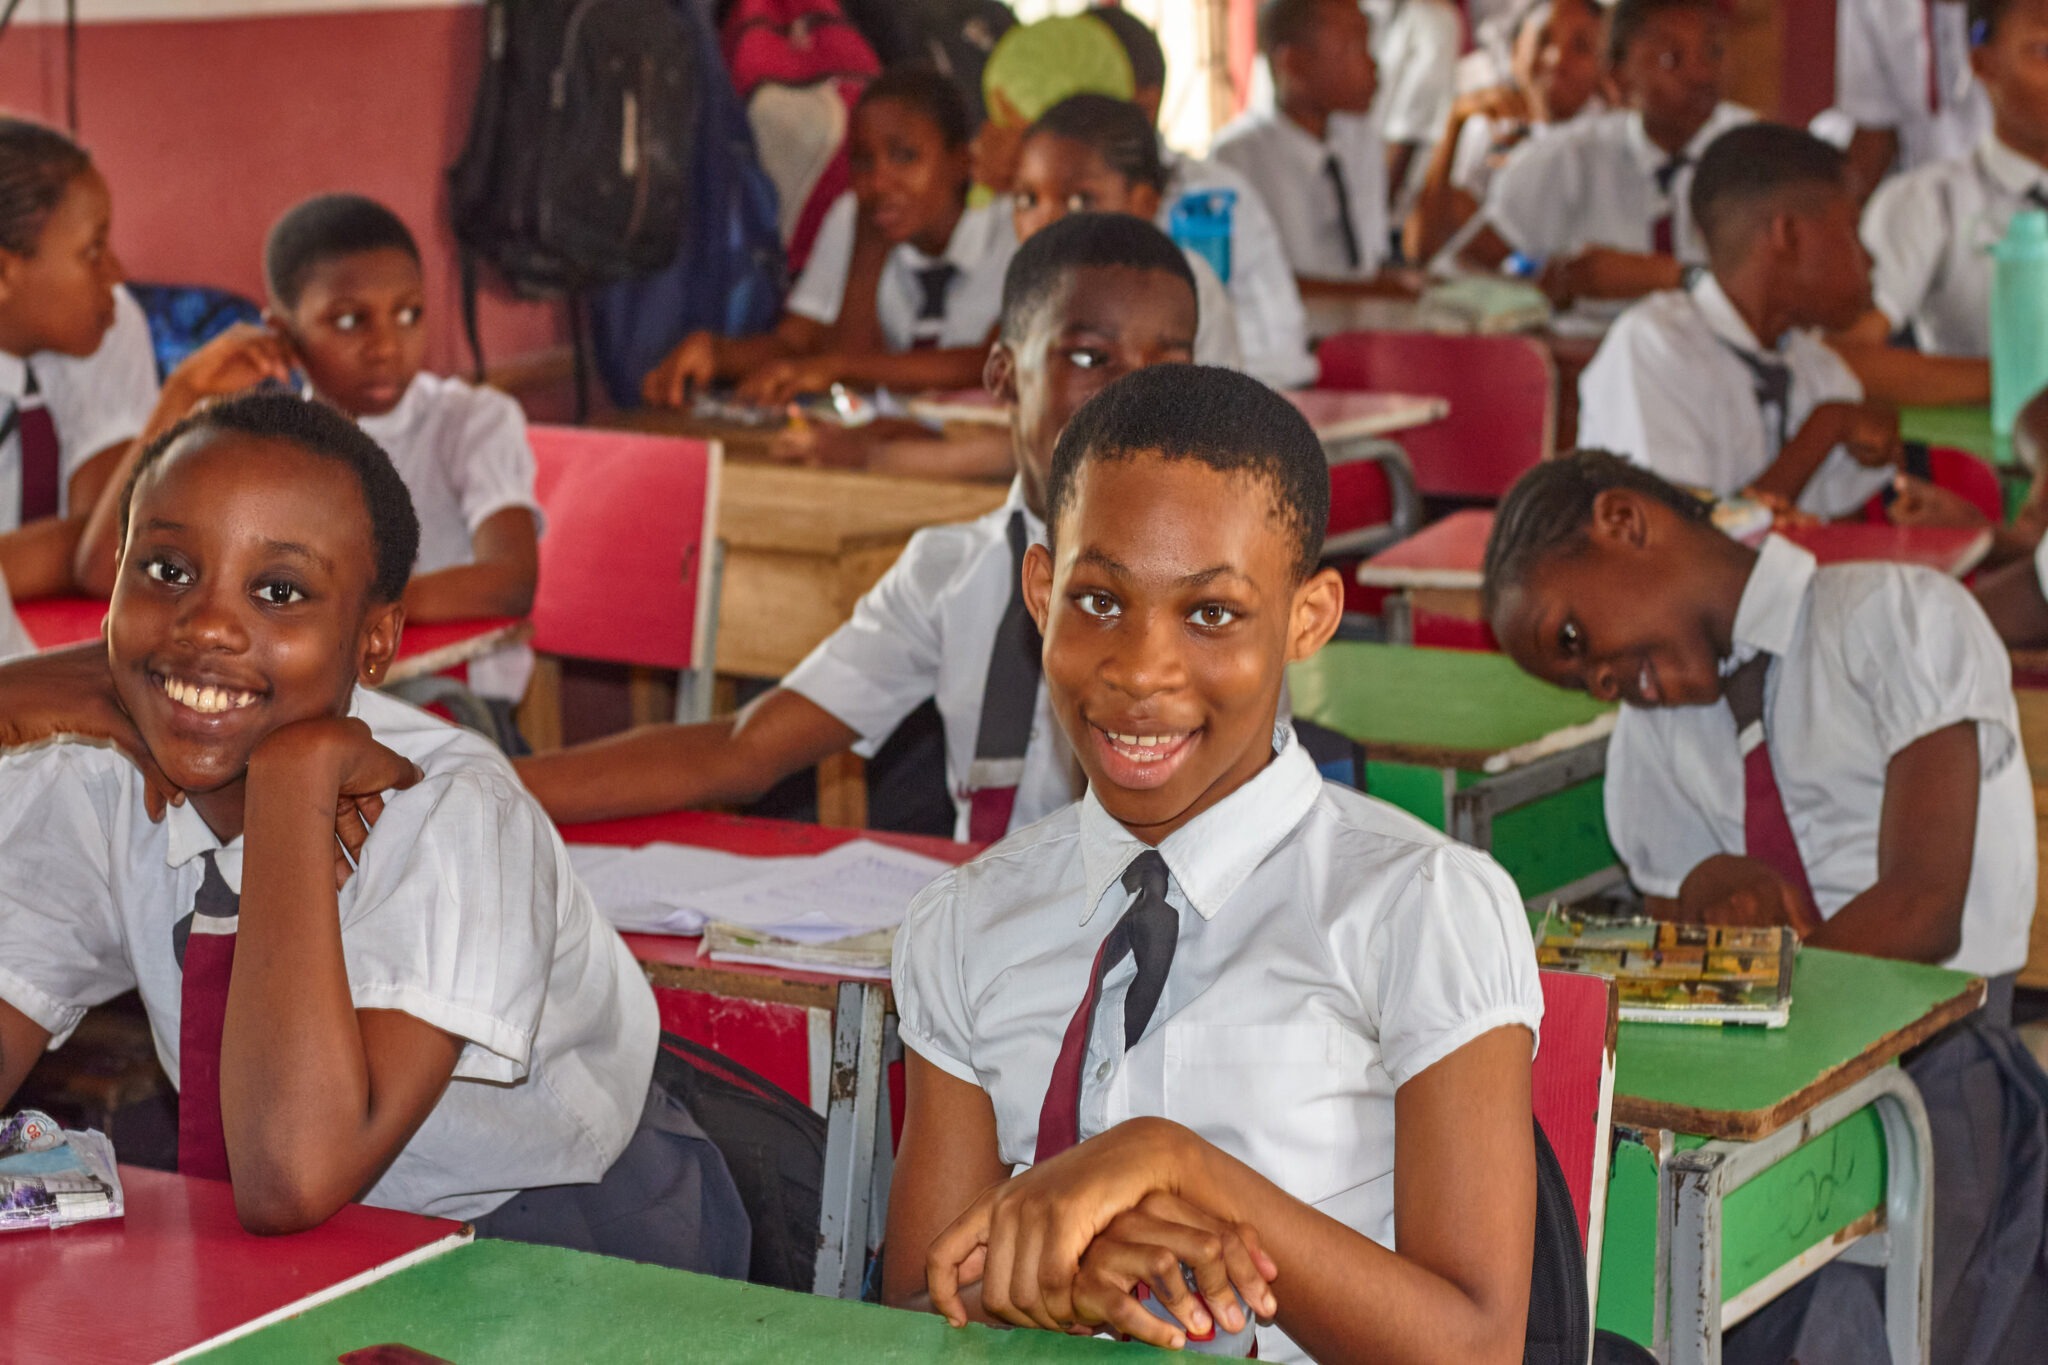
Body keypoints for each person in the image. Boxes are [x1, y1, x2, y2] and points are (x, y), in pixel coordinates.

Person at [0, 392, 748, 1273]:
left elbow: (290, 1174)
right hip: (293, 1236)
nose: (206, 625)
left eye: (279, 591)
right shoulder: (94, 776)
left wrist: (292, 786)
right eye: (167, 570)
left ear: (375, 641)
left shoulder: (454, 810)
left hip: (561, 1234)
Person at [885, 363, 1543, 1363]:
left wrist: (1174, 1164)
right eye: (1098, 600)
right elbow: (913, 1306)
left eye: (1211, 614)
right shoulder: (964, 924)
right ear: (1041, 592)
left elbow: (1479, 1347)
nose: (1140, 669)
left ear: (1308, 618)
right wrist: (1064, 1281)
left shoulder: (1418, 907)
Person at [1483, 450, 2048, 1365]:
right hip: (1744, 1104)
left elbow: (1923, 909)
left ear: (1624, 522)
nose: (1605, 683)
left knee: (1843, 1326)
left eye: (1575, 637)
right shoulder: (1651, 744)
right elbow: (1678, 958)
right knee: (1613, 1288)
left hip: (1939, 1064)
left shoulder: (1898, 616)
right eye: (1581, 681)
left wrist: (1752, 974)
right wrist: (1700, 896)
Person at [516, 214, 1201, 840]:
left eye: (1169, 367)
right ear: (1004, 374)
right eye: (1088, 358)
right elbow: (744, 749)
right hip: (987, 918)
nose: (1133, 393)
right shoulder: (949, 574)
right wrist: (489, 788)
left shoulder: (1216, 592)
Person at [75, 194, 543, 720]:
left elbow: (510, 580)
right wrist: (181, 395)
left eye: (408, 313)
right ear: (283, 333)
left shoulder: (472, 420)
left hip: (447, 703)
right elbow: (101, 570)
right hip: (301, 703)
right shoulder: (268, 445)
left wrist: (330, 614)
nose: (386, 345)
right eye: (349, 321)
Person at [1577, 124, 1901, 521]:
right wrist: (1824, 430)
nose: (1869, 259)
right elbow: (1673, 538)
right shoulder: (1653, 345)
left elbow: (1836, 529)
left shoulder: (1821, 371)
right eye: (1852, 229)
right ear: (1788, 235)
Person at [643, 68, 1017, 410]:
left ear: (961, 161)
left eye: (905, 156)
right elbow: (797, 343)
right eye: (863, 161)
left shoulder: (1015, 224)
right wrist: (718, 353)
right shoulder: (855, 214)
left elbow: (992, 362)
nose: (878, 181)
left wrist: (835, 367)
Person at [1441, 0, 1754, 318]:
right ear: (1618, 77)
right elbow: (1457, 267)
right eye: (1671, 58)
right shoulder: (1567, 158)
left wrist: (1672, 276)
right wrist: (1539, 293)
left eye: (1713, 52)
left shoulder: (1757, 157)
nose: (1701, 74)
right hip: (1586, 345)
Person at [1087, 4, 1319, 388]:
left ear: (1145, 103)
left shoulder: (1215, 196)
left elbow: (1282, 357)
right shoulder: (1022, 195)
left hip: (1230, 404)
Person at [0, 117, 158, 601]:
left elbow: (111, 555)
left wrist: (182, 399)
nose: (116, 272)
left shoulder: (106, 322)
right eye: (92, 250)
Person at [1851, 0, 2048, 364]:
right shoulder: (1929, 202)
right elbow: (1843, 356)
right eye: (2044, 51)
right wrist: (2010, 382)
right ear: (1983, 63)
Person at [1013, 95, 1243, 372]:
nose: (1045, 222)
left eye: (1079, 201)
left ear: (1144, 203)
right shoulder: (1034, 288)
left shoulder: (1182, 285)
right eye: (1027, 199)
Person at [1213, 0, 1418, 299]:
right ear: (1294, 64)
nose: (1373, 65)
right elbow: (1253, 287)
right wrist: (1376, 292)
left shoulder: (1361, 139)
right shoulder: (1235, 161)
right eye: (1353, 48)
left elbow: (1370, 263)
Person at [1405, 0, 1606, 263]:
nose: (1556, 58)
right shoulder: (1488, 124)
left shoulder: (1610, 139)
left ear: (1606, 65)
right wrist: (1454, 126)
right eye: (1543, 39)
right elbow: (1420, 249)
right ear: (1515, 51)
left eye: (1581, 46)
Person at [1837, 0, 1991, 199]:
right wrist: (1847, 207)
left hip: (2017, 191)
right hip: (1925, 196)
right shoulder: (1869, 5)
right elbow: (1875, 130)